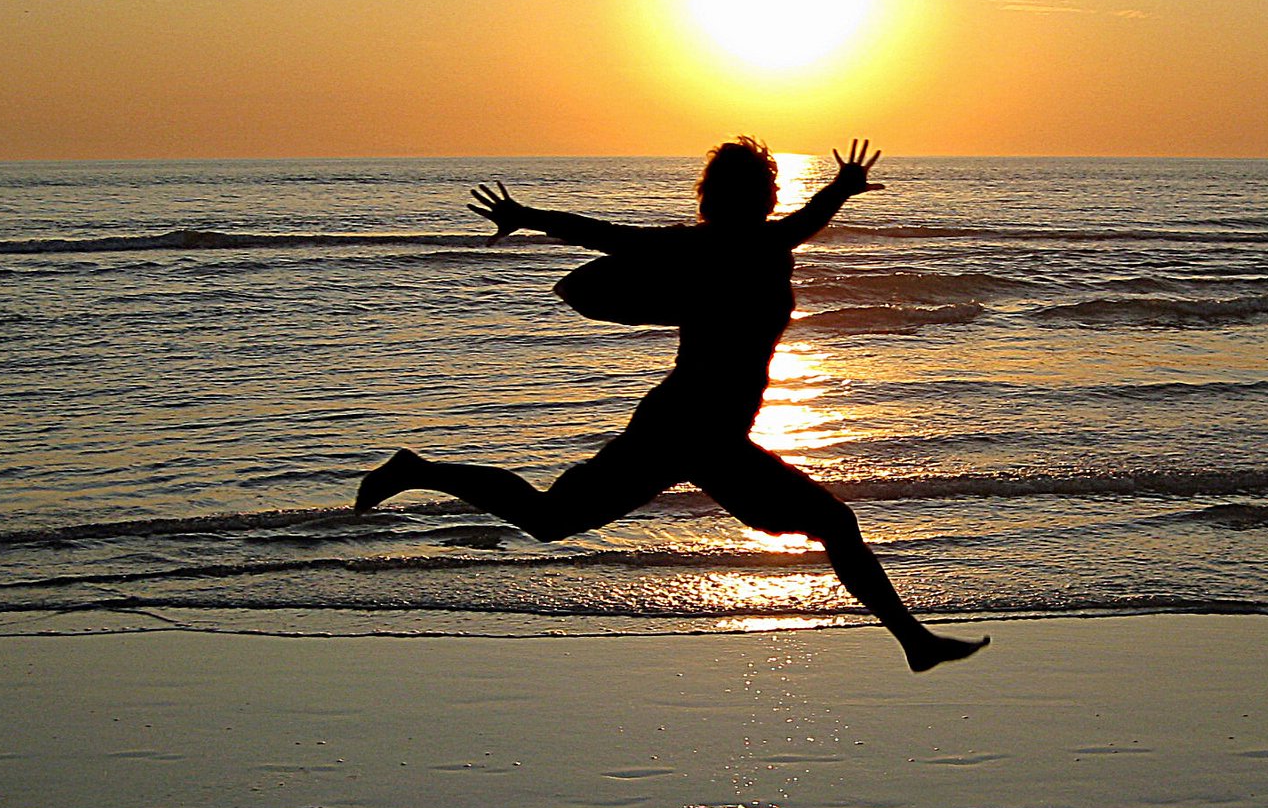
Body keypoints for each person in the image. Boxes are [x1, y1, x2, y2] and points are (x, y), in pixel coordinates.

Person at [355, 138, 986, 671]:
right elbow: (611, 237)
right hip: (690, 430)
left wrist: (843, 187)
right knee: (831, 524)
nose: (765, 199)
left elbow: (796, 219)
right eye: (758, 188)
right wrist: (530, 216)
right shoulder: (731, 246)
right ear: (747, 196)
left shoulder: (743, 245)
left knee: (552, 519)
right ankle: (913, 642)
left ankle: (416, 470)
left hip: (699, 432)